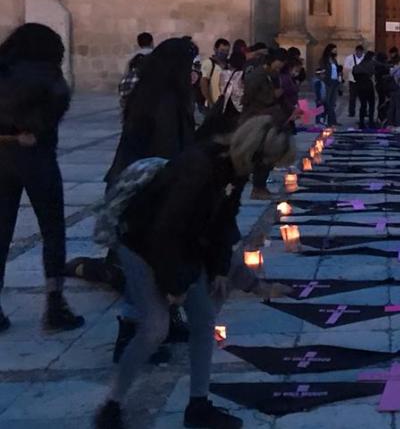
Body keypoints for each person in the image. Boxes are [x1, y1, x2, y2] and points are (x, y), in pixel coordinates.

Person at [92, 116, 295, 429]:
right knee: (155, 328)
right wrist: (176, 284)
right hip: (141, 243)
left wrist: (219, 270)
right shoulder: (198, 167)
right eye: (270, 162)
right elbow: (165, 230)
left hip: (182, 243)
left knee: (203, 319)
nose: (269, 169)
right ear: (256, 152)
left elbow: (223, 223)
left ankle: (198, 406)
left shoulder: (233, 169)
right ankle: (112, 405)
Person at [0, 23, 84, 333]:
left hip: (2, 157)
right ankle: (55, 304)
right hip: (36, 157)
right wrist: (32, 128)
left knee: (1, 230)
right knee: (52, 229)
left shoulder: (4, 67)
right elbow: (58, 100)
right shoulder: (47, 74)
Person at [106, 39, 198, 187]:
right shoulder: (166, 100)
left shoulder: (146, 91)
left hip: (133, 178)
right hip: (148, 184)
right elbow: (167, 148)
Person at [241, 48, 289, 200]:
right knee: (261, 155)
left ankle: (261, 187)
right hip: (257, 119)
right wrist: (271, 96)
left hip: (268, 119)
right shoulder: (257, 75)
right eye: (278, 64)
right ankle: (258, 188)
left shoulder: (270, 75)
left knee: (268, 154)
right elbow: (249, 95)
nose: (279, 68)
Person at [199, 39, 231, 110]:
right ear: (215, 49)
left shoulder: (229, 65)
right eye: (222, 50)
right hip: (213, 105)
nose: (225, 53)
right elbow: (204, 84)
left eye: (227, 51)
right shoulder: (209, 63)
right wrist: (210, 102)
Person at [315, 44, 340, 126]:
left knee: (332, 103)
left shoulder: (334, 60)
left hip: (335, 82)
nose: (335, 51)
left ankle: (332, 121)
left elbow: (336, 70)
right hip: (327, 82)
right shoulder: (323, 60)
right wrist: (323, 78)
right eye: (334, 50)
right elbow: (319, 71)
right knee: (327, 102)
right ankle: (324, 120)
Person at [352, 52, 378, 128]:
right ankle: (370, 122)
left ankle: (361, 122)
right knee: (371, 104)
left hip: (359, 87)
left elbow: (355, 77)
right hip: (368, 86)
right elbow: (372, 72)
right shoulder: (370, 64)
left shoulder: (358, 66)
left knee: (363, 105)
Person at [343, 45, 365, 120]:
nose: (359, 53)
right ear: (356, 51)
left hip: (362, 80)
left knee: (363, 97)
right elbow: (346, 67)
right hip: (353, 80)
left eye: (361, 52)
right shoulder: (350, 58)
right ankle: (351, 112)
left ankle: (363, 112)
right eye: (358, 52)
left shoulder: (364, 58)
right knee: (352, 97)